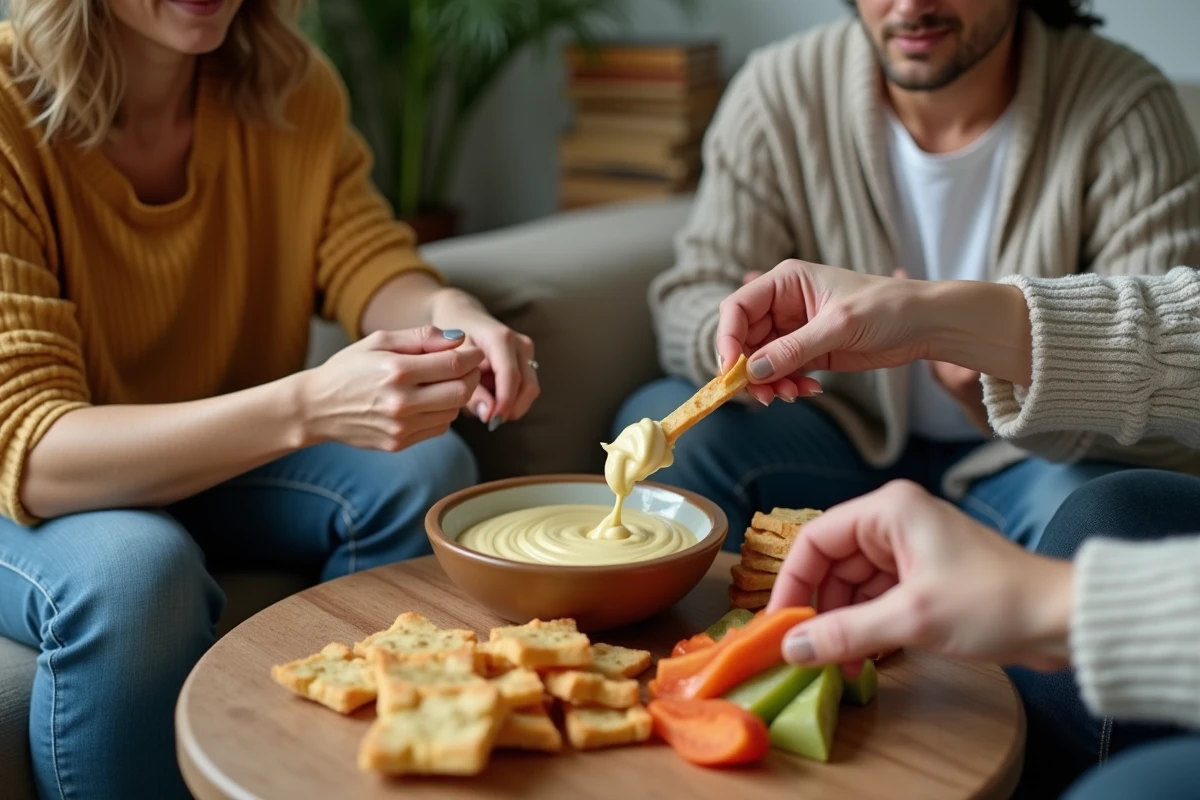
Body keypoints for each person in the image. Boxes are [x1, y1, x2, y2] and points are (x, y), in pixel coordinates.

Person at [0, 1, 539, 797]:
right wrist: (309, 406)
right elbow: (33, 451)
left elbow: (362, 255)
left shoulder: (287, 84)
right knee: (136, 569)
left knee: (425, 466)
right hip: (32, 489)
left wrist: (452, 317)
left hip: (206, 455)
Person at [616, 0, 1200, 551]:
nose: (910, 6)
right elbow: (693, 291)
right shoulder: (779, 91)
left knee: (1113, 519)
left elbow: (1163, 393)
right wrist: (739, 355)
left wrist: (1005, 379)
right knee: (667, 432)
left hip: (1028, 466)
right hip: (836, 437)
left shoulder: (1124, 104)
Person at [717, 258, 1200, 798]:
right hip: (840, 429)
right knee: (1116, 512)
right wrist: (932, 317)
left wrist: (1054, 605)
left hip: (1024, 457)